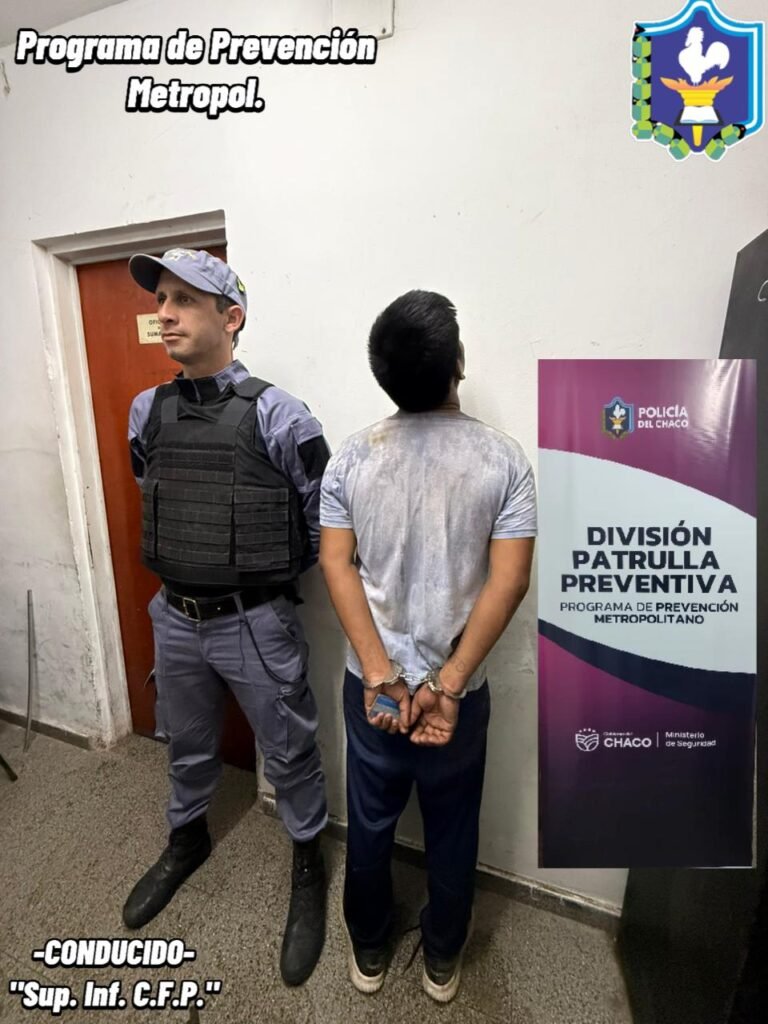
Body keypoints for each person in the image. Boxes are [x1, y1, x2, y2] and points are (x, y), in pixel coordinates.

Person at [319, 290, 536, 1003]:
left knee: (370, 820)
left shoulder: (351, 458)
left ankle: (369, 948)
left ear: (383, 375)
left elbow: (335, 564)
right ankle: (442, 958)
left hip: (373, 690)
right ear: (457, 365)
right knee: (452, 825)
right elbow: (510, 579)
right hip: (456, 697)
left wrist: (380, 674)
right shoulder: (504, 461)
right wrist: (447, 684)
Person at [123, 248, 329, 986]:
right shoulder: (146, 410)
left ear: (231, 317)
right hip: (175, 615)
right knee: (185, 742)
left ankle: (309, 863)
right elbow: (151, 485)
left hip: (254, 621)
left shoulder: (281, 415)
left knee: (291, 752)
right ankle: (188, 840)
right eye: (161, 299)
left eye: (184, 300)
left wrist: (256, 573)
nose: (165, 314)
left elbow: (323, 523)